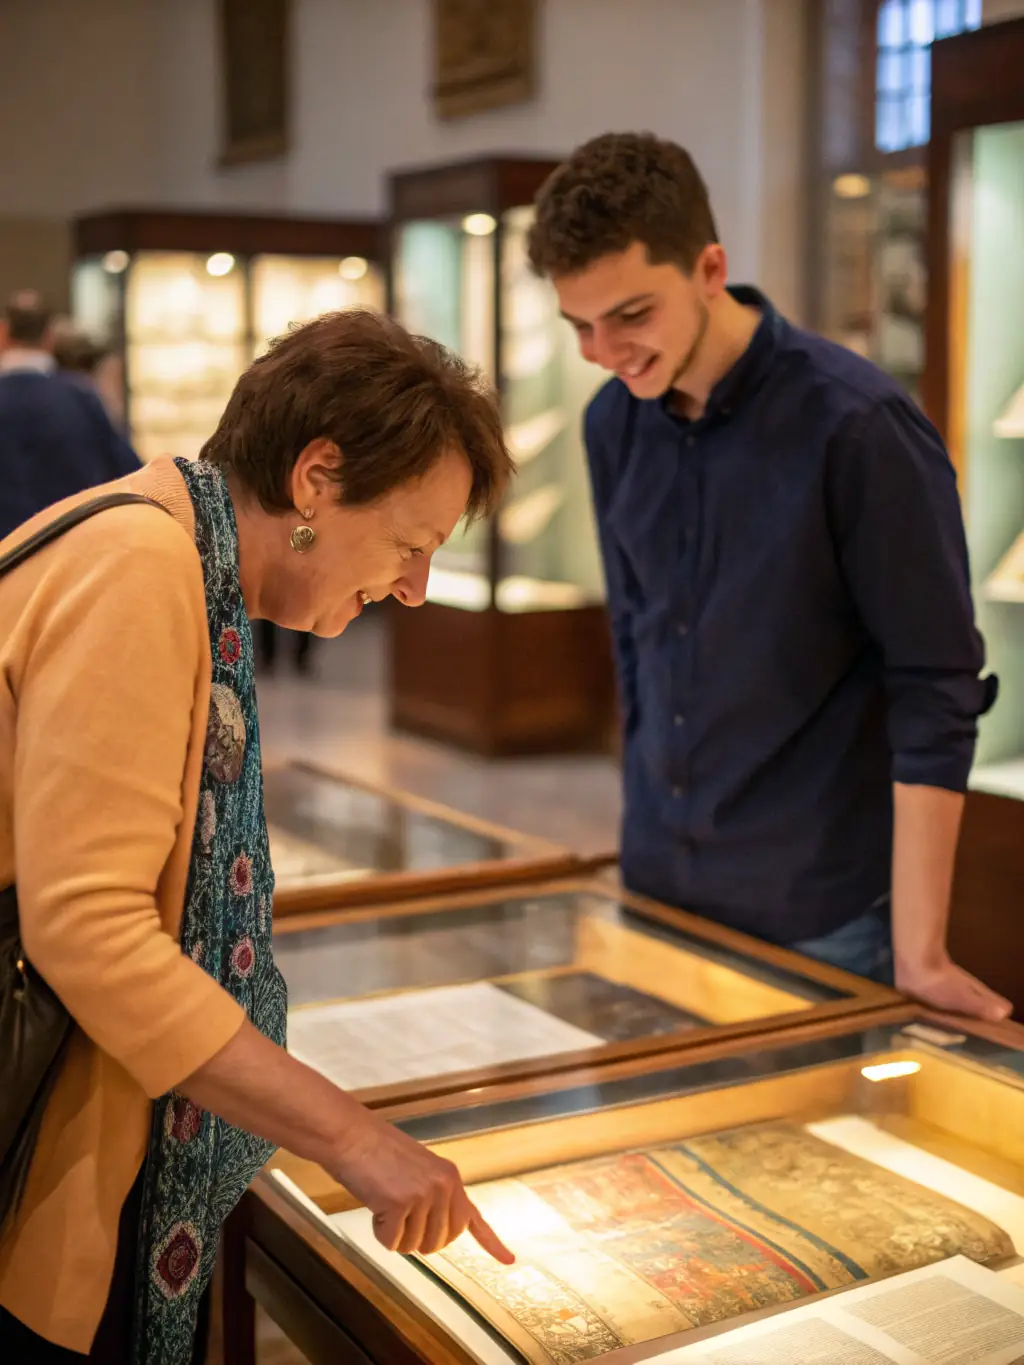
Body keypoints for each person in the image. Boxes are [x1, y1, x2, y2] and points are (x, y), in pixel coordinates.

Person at [0, 308, 516, 1363]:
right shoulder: (142, 565)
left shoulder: (165, 543)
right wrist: (352, 1137)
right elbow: (89, 929)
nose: (412, 589)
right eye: (409, 545)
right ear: (317, 477)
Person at [526, 132, 1010, 1021]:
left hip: (818, 907)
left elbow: (935, 686)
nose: (604, 351)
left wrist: (921, 946)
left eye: (631, 315)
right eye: (580, 326)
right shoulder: (611, 425)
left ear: (710, 268)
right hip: (660, 884)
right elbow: (637, 642)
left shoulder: (858, 426)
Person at [0, 290, 140, 538]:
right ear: (49, 338)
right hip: (70, 550)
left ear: (3, 334)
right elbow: (129, 473)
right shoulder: (81, 398)